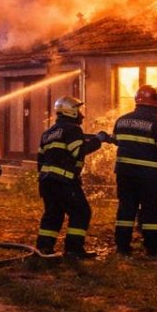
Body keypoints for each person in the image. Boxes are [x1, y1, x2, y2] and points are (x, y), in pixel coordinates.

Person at [109, 84, 157, 256]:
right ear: (155, 101)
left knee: (126, 209)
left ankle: (122, 246)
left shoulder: (121, 120)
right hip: (150, 177)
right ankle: (152, 248)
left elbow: (118, 141)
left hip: (124, 175)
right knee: (151, 212)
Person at [35, 96, 104, 258]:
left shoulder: (48, 132)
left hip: (46, 181)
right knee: (81, 211)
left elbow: (40, 159)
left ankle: (43, 248)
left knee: (53, 213)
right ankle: (74, 250)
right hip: (63, 182)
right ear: (71, 111)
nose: (81, 115)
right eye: (78, 110)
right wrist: (98, 140)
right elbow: (78, 151)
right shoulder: (72, 129)